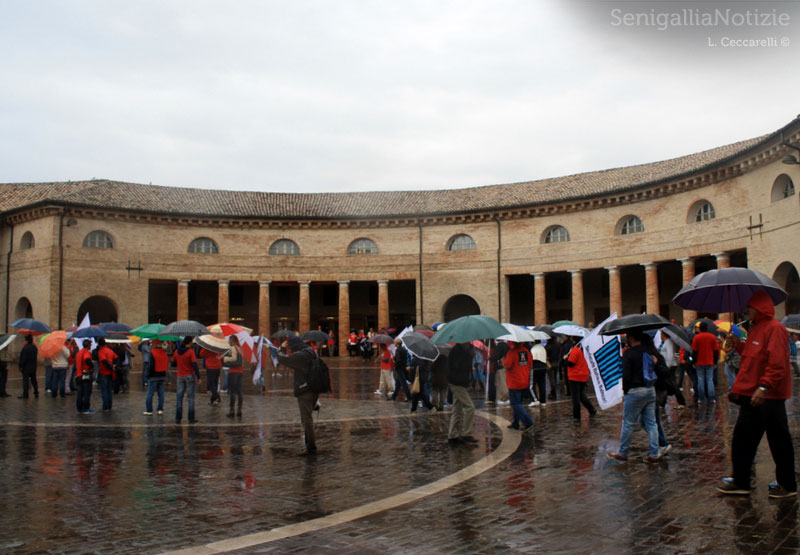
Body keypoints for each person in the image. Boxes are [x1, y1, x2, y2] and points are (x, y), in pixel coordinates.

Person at [718, 291, 797, 498]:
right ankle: (741, 481)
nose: (747, 310)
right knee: (743, 439)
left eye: (750, 307)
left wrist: (764, 387)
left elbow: (777, 363)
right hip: (753, 394)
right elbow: (755, 357)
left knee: (778, 441)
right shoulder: (755, 329)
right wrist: (740, 345)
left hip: (768, 396)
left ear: (760, 308)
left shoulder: (775, 329)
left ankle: (787, 485)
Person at [608, 331, 660, 463]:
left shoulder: (629, 353)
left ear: (631, 338)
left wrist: (625, 391)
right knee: (651, 423)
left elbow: (626, 375)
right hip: (650, 389)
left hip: (635, 390)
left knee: (628, 423)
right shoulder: (649, 350)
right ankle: (654, 453)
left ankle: (623, 452)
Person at [278, 336, 320, 456]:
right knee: (308, 418)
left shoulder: (302, 355)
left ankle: (311, 448)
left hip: (305, 389)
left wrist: (281, 348)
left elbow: (283, 359)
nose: (291, 350)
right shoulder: (311, 351)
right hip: (313, 387)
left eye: (291, 348)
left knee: (306, 420)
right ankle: (310, 446)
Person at [446, 342, 478, 446]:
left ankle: (453, 434)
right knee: (470, 407)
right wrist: (470, 357)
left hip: (460, 382)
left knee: (457, 409)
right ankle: (466, 433)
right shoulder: (457, 351)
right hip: (457, 382)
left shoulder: (462, 350)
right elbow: (458, 366)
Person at [503, 341, 534, 432]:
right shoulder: (526, 351)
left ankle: (528, 422)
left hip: (514, 381)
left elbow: (507, 364)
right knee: (518, 402)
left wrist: (503, 361)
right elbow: (530, 364)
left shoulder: (512, 352)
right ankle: (515, 423)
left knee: (516, 404)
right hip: (524, 379)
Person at [566, 338, 597, 419]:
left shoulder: (575, 350)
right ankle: (591, 409)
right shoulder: (583, 350)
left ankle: (576, 415)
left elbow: (571, 363)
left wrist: (565, 358)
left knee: (576, 397)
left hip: (575, 376)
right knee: (581, 395)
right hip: (583, 375)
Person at [172, 336, 200, 424]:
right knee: (191, 397)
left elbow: (173, 363)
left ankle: (178, 418)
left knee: (179, 398)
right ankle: (191, 418)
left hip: (180, 376)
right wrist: (198, 377)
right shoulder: (190, 352)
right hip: (189, 375)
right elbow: (195, 364)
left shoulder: (176, 351)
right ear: (190, 342)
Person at [692, 322, 720, 404]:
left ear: (700, 328)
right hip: (710, 361)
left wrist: (694, 361)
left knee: (700, 380)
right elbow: (715, 351)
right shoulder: (712, 337)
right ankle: (711, 398)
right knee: (709, 380)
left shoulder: (696, 337)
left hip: (699, 362)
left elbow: (694, 351)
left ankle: (701, 399)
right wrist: (715, 362)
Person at [144, 340, 168, 415]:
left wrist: (147, 375)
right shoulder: (163, 353)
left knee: (150, 394)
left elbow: (150, 365)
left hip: (153, 376)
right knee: (161, 393)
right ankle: (160, 409)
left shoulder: (153, 353)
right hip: (162, 375)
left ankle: (149, 410)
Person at [224, 335, 245, 417]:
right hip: (240, 371)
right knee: (239, 391)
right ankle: (239, 410)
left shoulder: (233, 348)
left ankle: (232, 410)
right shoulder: (240, 349)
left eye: (229, 340)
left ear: (232, 340)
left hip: (233, 371)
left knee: (232, 391)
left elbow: (233, 359)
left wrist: (225, 359)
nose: (228, 341)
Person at [96, 338, 118, 411]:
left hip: (104, 372)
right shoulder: (110, 350)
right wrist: (114, 366)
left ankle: (105, 406)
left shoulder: (101, 351)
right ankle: (109, 405)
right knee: (109, 390)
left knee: (104, 390)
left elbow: (104, 361)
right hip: (110, 373)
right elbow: (116, 358)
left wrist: (111, 367)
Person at [75, 340, 94, 414]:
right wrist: (91, 366)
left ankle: (79, 408)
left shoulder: (79, 353)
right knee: (86, 393)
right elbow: (87, 359)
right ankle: (86, 408)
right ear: (88, 345)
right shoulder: (86, 352)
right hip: (85, 374)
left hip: (79, 375)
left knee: (80, 393)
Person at [390, 338, 412, 402]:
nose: (394, 343)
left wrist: (394, 358)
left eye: (395, 342)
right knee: (398, 383)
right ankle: (394, 396)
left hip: (400, 369)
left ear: (397, 343)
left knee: (403, 383)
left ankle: (409, 397)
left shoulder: (398, 350)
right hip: (403, 367)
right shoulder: (404, 349)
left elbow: (398, 360)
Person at [18, 334, 39, 399]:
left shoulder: (25, 348)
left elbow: (23, 358)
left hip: (26, 367)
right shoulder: (34, 347)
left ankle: (25, 394)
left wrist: (20, 366)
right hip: (33, 366)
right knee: (33, 380)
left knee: (25, 381)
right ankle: (36, 392)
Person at [490, 340, 510, 405]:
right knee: (504, 382)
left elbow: (496, 357)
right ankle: (503, 398)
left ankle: (503, 398)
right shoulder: (507, 346)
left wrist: (490, 358)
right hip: (505, 366)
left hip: (499, 367)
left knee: (500, 383)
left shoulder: (499, 346)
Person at [530, 340, 548, 408]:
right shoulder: (543, 348)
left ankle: (535, 399)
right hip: (543, 367)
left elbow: (533, 359)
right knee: (542, 384)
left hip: (535, 368)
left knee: (532, 385)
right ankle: (543, 401)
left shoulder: (533, 349)